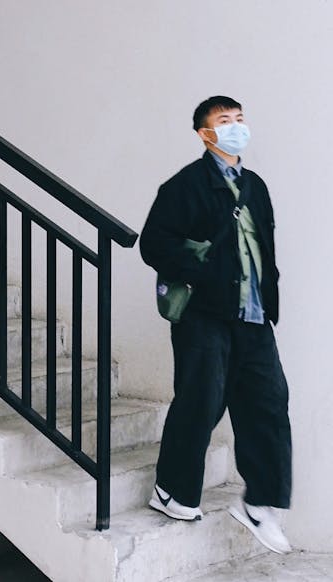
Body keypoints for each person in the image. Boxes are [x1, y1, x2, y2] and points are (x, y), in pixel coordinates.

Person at [140, 95, 292, 554]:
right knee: (200, 401)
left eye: (240, 119)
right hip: (205, 316)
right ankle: (172, 490)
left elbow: (264, 248)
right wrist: (204, 274)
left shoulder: (257, 186)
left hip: (253, 316)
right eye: (225, 121)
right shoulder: (184, 186)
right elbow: (154, 244)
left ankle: (261, 504)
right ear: (205, 134)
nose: (235, 127)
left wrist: (268, 293)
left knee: (268, 403)